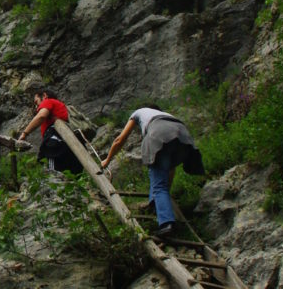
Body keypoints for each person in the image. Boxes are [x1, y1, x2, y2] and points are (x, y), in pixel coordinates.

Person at [101, 105, 204, 237]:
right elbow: (170, 169)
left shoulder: (138, 112)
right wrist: (165, 192)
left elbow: (120, 139)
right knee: (162, 181)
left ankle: (167, 224)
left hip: (160, 134)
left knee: (159, 185)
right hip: (183, 137)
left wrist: (107, 160)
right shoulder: (166, 114)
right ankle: (155, 204)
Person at [18, 89, 82, 173]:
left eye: (36, 101)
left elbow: (41, 116)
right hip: (71, 145)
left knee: (53, 174)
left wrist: (24, 133)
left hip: (56, 143)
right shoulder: (61, 107)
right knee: (70, 176)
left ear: (44, 96)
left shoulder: (48, 101)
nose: (36, 106)